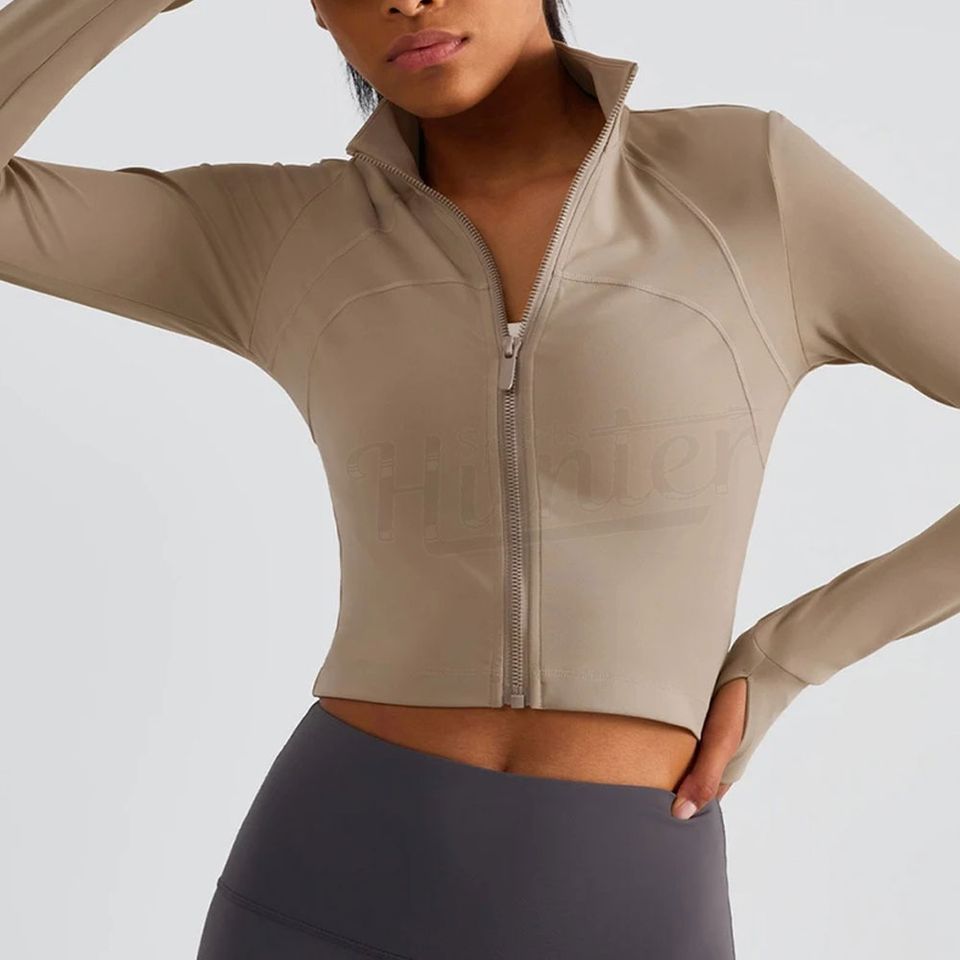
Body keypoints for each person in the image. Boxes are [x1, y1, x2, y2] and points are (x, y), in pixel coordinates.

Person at [3, 1, 959, 958]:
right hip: (325, 878)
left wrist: (792, 656)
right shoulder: (284, 233)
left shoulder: (746, 183)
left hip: (619, 894)